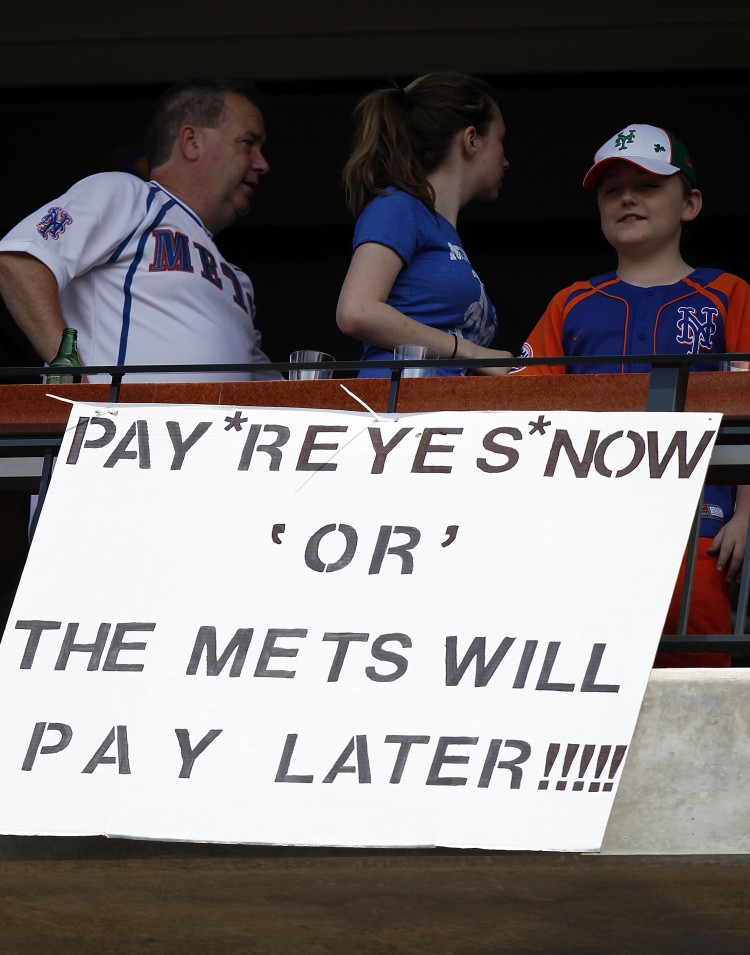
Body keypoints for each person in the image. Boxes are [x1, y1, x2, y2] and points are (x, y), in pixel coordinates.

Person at [511, 123, 750, 667]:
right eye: (611, 188)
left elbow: (748, 407)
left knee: (695, 674)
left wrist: (746, 514)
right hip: (587, 521)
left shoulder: (729, 294)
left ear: (689, 203)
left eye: (646, 185)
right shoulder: (571, 302)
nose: (626, 197)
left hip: (701, 521)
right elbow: (528, 411)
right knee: (582, 668)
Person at [0, 79, 281, 382]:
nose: (262, 163)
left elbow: (261, 385)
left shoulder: (237, 280)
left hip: (213, 430)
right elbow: (20, 261)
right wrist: (75, 378)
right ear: (192, 141)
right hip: (115, 427)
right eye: (248, 143)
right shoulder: (128, 195)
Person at [336, 72, 513, 377]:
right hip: (398, 414)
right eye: (501, 141)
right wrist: (470, 352)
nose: (506, 160)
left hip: (430, 414)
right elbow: (356, 311)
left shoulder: (439, 228)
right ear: (471, 140)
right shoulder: (399, 206)